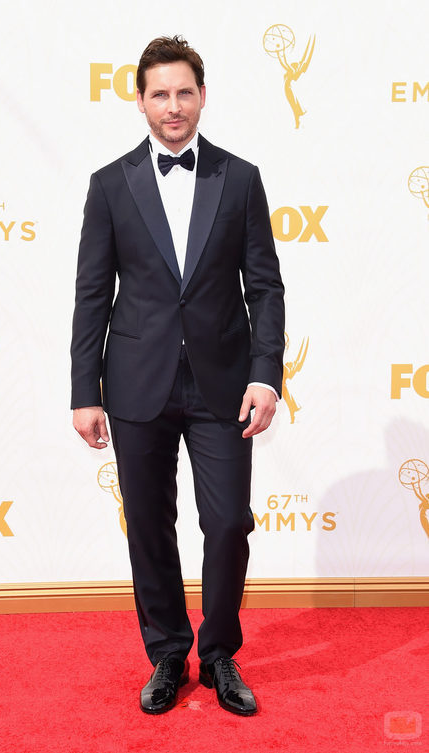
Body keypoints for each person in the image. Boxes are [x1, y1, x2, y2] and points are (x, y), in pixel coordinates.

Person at [71, 35, 285, 716]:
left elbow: (265, 287)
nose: (173, 106)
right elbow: (92, 294)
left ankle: (219, 653)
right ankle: (167, 651)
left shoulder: (240, 178)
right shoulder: (110, 184)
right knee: (149, 526)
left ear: (202, 96)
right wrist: (84, 392)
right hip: (137, 382)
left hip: (224, 384)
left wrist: (266, 375)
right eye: (159, 93)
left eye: (184, 92)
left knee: (227, 523)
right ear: (140, 100)